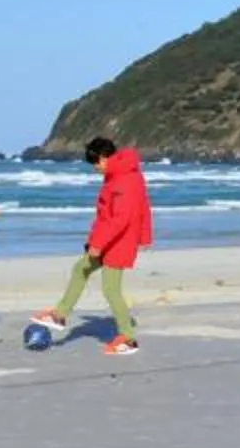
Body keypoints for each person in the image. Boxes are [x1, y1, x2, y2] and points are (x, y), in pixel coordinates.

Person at [31, 137, 151, 355]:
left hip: (118, 242)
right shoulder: (116, 175)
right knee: (81, 269)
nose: (95, 168)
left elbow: (120, 219)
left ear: (105, 157)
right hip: (109, 239)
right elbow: (138, 207)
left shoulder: (125, 179)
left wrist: (99, 243)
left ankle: (128, 338)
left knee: (111, 289)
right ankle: (60, 314)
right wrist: (144, 237)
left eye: (96, 163)